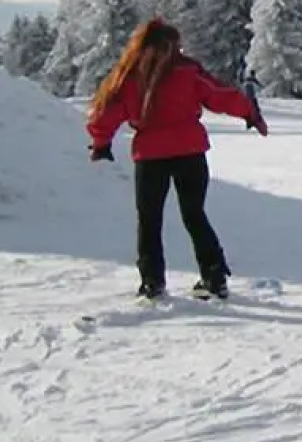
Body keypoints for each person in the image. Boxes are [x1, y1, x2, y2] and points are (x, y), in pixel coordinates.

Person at [86, 19, 267, 300]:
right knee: (195, 215)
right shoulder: (188, 71)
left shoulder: (130, 77)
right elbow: (219, 96)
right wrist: (249, 112)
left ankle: (152, 283)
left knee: (149, 220)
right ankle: (215, 276)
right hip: (190, 153)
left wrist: (101, 142)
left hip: (151, 157)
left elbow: (105, 113)